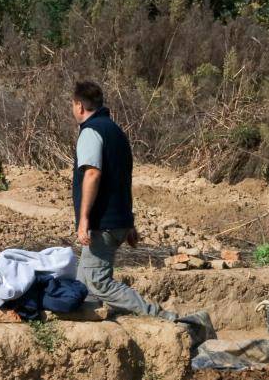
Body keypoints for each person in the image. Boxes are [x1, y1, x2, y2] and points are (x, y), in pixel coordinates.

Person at [70, 81, 213, 342]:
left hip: (103, 223)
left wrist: (84, 220)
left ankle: (163, 318)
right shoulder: (116, 132)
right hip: (118, 220)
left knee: (98, 282)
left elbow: (92, 173)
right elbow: (122, 180)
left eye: (73, 105)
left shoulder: (91, 132)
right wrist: (129, 221)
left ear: (79, 105)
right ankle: (87, 341)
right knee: (83, 285)